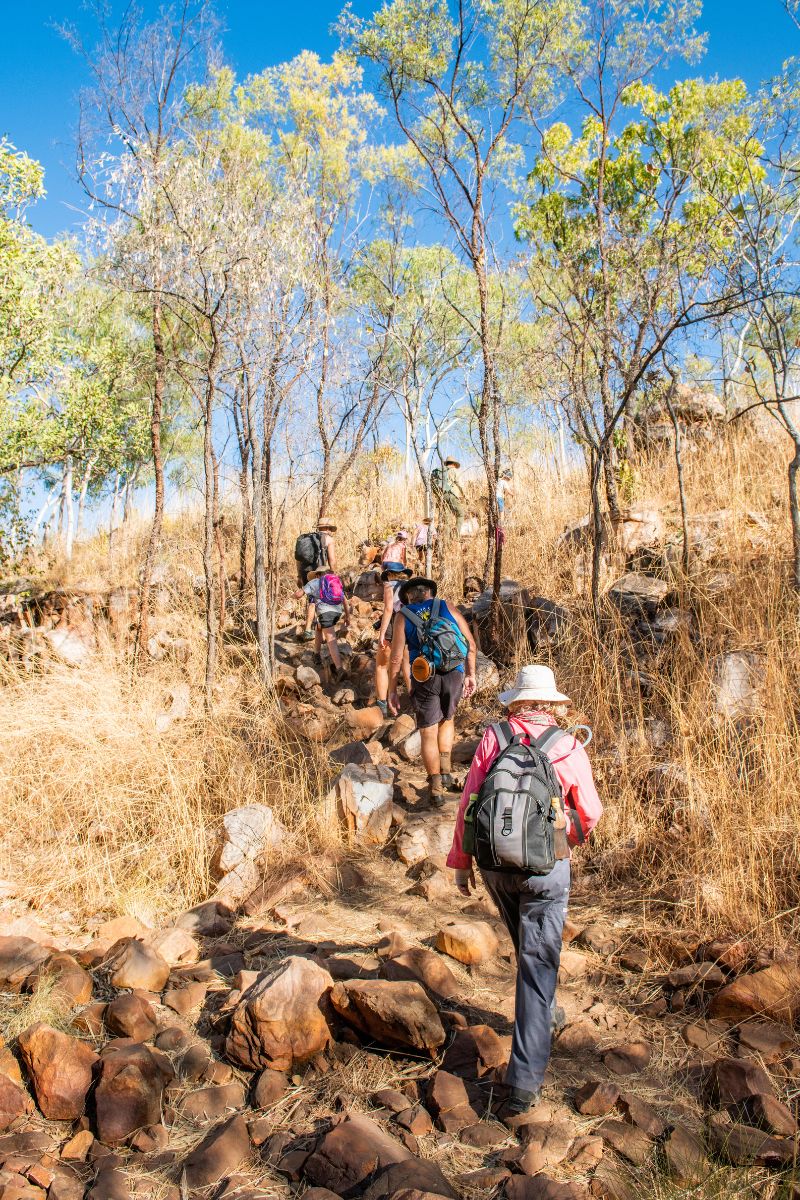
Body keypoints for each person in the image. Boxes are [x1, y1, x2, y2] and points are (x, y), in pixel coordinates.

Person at [447, 664, 603, 1120]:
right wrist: (567, 835)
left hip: (497, 866)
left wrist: (461, 862)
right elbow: (589, 813)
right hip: (547, 869)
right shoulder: (569, 745)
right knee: (537, 964)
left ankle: (545, 1011)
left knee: (527, 947)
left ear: (515, 702)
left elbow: (470, 803)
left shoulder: (495, 738)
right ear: (553, 705)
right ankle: (523, 1083)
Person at [389, 576, 477, 806]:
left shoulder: (403, 616)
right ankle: (446, 773)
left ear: (408, 597)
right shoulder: (446, 606)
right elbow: (470, 644)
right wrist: (471, 674)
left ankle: (436, 788)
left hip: (424, 675)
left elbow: (397, 657)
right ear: (430, 593)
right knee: (448, 719)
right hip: (454, 672)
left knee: (428, 732)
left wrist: (392, 690)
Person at [374, 561, 412, 718]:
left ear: (388, 573)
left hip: (394, 623)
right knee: (407, 665)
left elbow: (389, 608)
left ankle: (382, 705)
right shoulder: (411, 585)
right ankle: (414, 703)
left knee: (382, 665)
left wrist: (382, 633)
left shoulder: (389, 585)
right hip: (410, 623)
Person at [302, 567, 350, 679]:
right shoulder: (333, 583)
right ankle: (316, 654)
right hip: (337, 612)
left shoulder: (314, 583)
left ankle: (339, 669)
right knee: (319, 626)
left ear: (317, 575)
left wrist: (307, 627)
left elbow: (312, 606)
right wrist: (347, 616)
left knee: (330, 639)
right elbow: (344, 600)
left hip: (325, 614)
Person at [295, 518, 338, 642]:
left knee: (311, 599)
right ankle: (311, 630)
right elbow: (332, 559)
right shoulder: (329, 539)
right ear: (328, 528)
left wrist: (299, 576)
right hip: (319, 571)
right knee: (317, 601)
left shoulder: (306, 539)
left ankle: (311, 628)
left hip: (305, 572)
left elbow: (298, 559)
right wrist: (333, 575)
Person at [431, 457, 466, 527]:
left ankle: (446, 537)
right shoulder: (454, 470)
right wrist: (465, 495)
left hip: (441, 496)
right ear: (454, 463)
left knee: (447, 518)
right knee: (460, 514)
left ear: (446, 463)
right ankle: (456, 535)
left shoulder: (441, 471)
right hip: (451, 495)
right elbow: (460, 484)